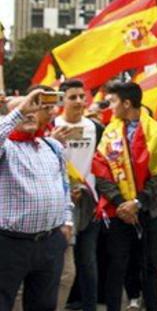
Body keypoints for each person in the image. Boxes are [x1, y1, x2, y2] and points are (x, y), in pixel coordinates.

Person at [92, 81, 157, 311]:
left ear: (127, 103)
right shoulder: (110, 133)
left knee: (150, 267)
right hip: (119, 213)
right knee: (116, 266)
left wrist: (138, 202)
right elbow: (102, 172)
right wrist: (122, 204)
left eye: (112, 102)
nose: (109, 107)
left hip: (150, 211)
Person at [0, 88, 74, 311]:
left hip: (49, 243)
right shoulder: (7, 149)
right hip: (10, 245)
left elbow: (64, 186)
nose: (31, 113)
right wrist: (20, 110)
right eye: (23, 111)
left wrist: (67, 221)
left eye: (34, 109)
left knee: (44, 305)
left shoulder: (51, 146)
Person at [54, 80, 104, 311]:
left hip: (89, 202)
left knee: (88, 261)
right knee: (63, 264)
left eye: (81, 97)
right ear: (62, 99)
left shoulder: (96, 128)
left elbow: (104, 163)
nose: (78, 102)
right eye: (72, 97)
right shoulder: (52, 127)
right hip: (60, 205)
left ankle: (89, 305)